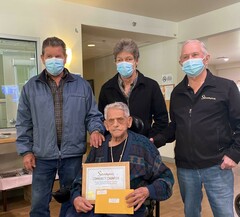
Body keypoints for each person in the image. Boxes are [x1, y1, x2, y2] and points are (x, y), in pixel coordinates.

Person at [16, 36, 105, 217]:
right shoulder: (30, 87)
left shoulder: (82, 85)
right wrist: (26, 151)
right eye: (49, 56)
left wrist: (96, 129)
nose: (53, 60)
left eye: (58, 56)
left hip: (72, 155)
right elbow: (24, 122)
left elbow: (93, 114)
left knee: (71, 201)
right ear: (42, 58)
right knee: (39, 204)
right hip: (41, 156)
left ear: (65, 57)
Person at [154, 39, 240, 217]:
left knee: (224, 213)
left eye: (194, 55)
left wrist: (234, 154)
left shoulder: (226, 87)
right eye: (185, 57)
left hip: (218, 166)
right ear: (180, 62)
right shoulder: (177, 92)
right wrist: (156, 140)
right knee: (191, 213)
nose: (190, 60)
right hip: (186, 168)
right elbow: (175, 126)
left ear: (206, 58)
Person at [66, 102, 174, 217]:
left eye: (120, 120)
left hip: (130, 206)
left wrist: (147, 191)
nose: (115, 124)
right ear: (106, 125)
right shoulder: (98, 147)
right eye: (111, 121)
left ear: (129, 122)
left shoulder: (143, 146)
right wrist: (76, 197)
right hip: (98, 207)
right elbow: (79, 180)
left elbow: (167, 179)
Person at [98, 38, 168, 140]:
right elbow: (101, 119)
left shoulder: (151, 86)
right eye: (119, 60)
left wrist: (149, 139)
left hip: (144, 144)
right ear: (115, 62)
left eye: (128, 59)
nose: (124, 63)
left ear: (136, 61)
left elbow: (162, 119)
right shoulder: (107, 88)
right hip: (115, 145)